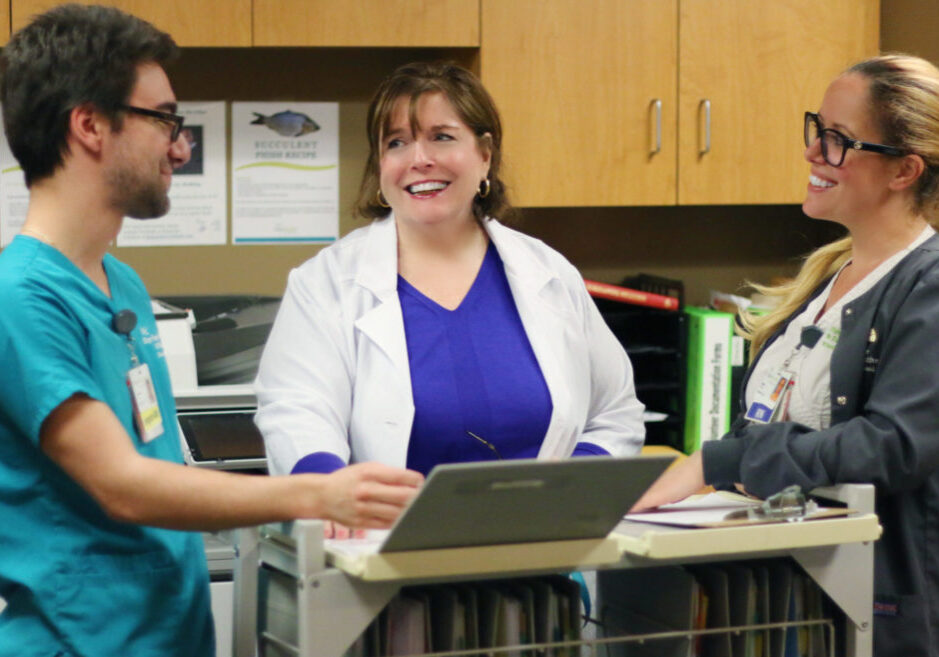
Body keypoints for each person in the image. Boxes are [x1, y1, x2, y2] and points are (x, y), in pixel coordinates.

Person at [0, 6, 422, 656]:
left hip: (167, 636)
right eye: (164, 118)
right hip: (81, 641)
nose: (180, 144)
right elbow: (124, 484)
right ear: (88, 124)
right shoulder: (20, 297)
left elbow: (161, 461)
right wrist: (319, 492)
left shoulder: (124, 286)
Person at [633, 54, 939, 656]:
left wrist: (723, 461)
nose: (812, 153)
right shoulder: (827, 278)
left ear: (904, 170)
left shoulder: (927, 287)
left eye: (838, 141)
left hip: (877, 610)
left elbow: (891, 446)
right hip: (789, 591)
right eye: (815, 130)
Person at [255, 61, 645, 481]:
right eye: (397, 143)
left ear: (485, 154)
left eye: (441, 137)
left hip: (546, 534)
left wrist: (570, 485)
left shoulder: (549, 274)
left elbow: (615, 412)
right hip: (387, 536)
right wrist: (328, 492)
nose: (419, 159)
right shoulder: (327, 284)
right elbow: (297, 413)